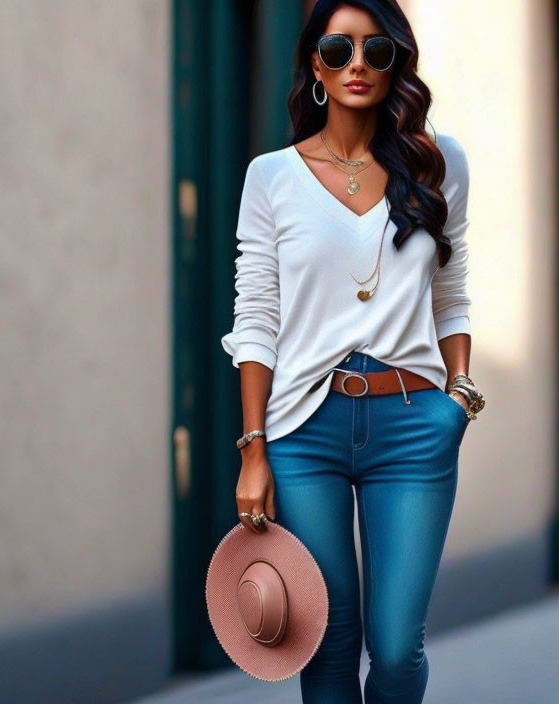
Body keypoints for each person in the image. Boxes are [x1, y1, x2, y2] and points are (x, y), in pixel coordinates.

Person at [220, 1, 485, 702]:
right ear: (315, 64)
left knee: (397, 651)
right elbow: (256, 319)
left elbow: (451, 293)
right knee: (328, 644)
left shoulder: (438, 163)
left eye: (375, 50)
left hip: (413, 424)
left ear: (396, 61)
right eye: (338, 50)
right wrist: (254, 450)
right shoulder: (270, 177)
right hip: (305, 432)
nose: (357, 64)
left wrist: (456, 399)